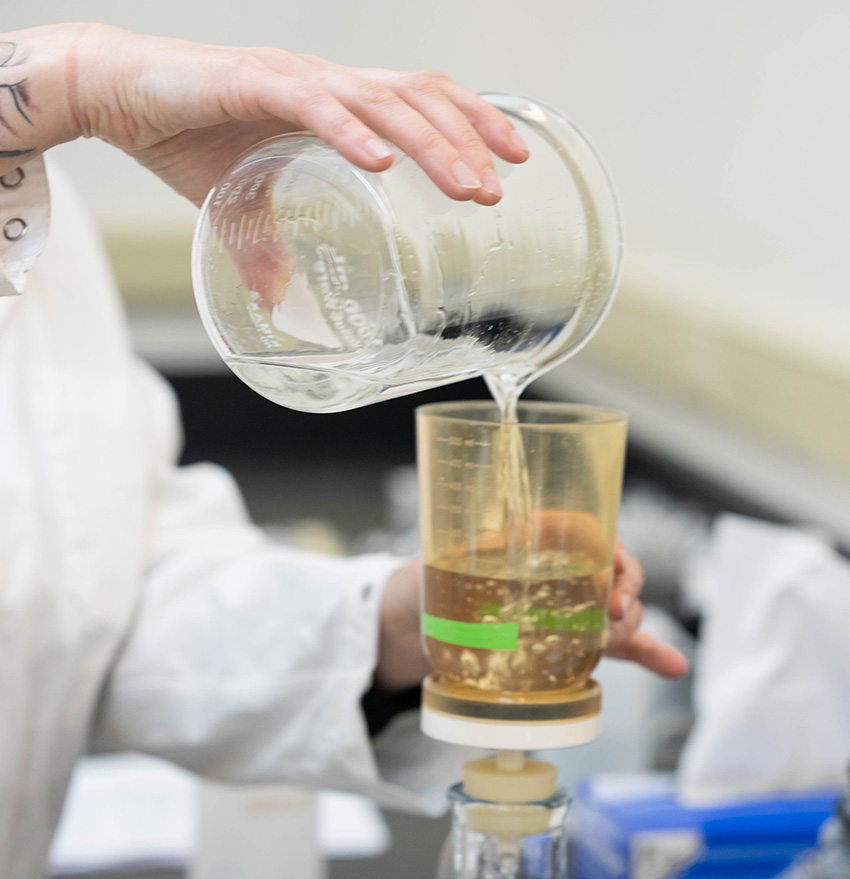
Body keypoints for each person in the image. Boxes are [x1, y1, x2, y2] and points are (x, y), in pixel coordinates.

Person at [0, 22, 688, 876]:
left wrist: (393, 624)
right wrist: (64, 80)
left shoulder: (39, 227)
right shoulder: (38, 137)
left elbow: (109, 602)